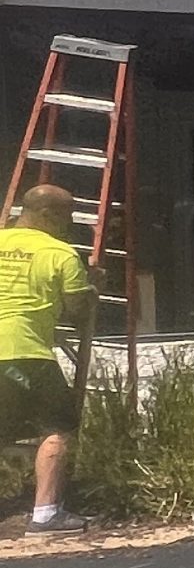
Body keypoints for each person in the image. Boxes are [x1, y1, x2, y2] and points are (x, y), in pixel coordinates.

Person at [0, 184, 95, 533]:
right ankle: (46, 514)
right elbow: (78, 310)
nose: (68, 222)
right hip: (25, 355)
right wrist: (88, 286)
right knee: (58, 427)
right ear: (46, 214)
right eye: (66, 214)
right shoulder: (60, 253)